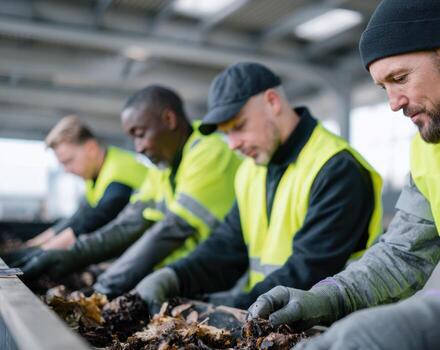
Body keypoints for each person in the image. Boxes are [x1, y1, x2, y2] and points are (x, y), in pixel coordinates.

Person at [247, 1, 440, 349]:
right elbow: (401, 255)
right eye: (384, 87)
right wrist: (330, 296)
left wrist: (439, 320)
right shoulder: (432, 142)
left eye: (400, 78)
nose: (394, 103)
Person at [134, 62, 384, 314]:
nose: (232, 144)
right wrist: (174, 276)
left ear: (273, 102)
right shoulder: (251, 171)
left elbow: (308, 272)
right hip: (270, 324)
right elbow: (225, 248)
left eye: (239, 126)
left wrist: (216, 310)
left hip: (332, 329)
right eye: (225, 133)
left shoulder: (336, 168)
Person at [21, 86, 241, 298]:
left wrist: (104, 287)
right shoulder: (164, 167)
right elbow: (131, 222)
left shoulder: (209, 153)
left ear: (169, 120)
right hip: (181, 275)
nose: (138, 147)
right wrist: (72, 254)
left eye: (141, 134)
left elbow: (171, 230)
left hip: (224, 285)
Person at [2, 116, 147, 265]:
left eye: (69, 161)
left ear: (90, 148)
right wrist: (34, 244)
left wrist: (40, 253)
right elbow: (79, 218)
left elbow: (94, 221)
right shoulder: (98, 175)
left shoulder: (119, 173)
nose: (67, 170)